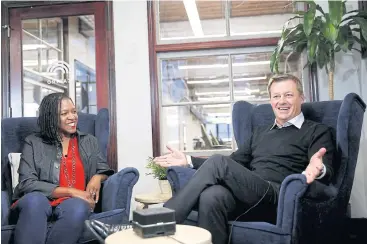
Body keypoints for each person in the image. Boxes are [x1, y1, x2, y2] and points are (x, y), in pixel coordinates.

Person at [88, 74, 335, 244]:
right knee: (211, 196)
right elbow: (236, 161)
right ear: (270, 100)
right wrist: (188, 161)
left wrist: (317, 168)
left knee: (218, 161)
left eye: (288, 95)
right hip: (252, 193)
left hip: (279, 195)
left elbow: (325, 167)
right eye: (276, 96)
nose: (282, 102)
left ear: (301, 97)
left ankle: (143, 227)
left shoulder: (316, 130)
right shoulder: (261, 132)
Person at [10, 92, 114, 244]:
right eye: (64, 113)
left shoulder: (89, 141)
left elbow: (104, 168)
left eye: (74, 111)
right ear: (51, 118)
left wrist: (97, 177)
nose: (72, 117)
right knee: (36, 202)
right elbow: (27, 183)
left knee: (79, 206)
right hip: (39, 200)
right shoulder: (33, 142)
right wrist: (72, 191)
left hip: (72, 203)